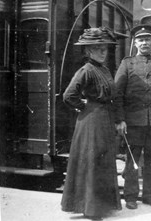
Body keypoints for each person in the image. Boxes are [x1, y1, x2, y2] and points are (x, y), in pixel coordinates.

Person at [61, 27, 122, 220]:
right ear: (88, 51)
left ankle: (101, 206)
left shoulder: (103, 69)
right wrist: (83, 106)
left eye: (105, 48)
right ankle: (90, 208)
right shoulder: (86, 70)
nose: (103, 52)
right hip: (91, 122)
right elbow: (68, 95)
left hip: (104, 119)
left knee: (103, 161)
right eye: (98, 48)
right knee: (92, 162)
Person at [114, 24, 151, 210]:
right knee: (132, 160)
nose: (144, 42)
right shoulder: (127, 63)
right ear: (135, 42)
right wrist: (120, 119)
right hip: (133, 121)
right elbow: (117, 94)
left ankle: (149, 195)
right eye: (141, 40)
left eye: (147, 39)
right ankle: (130, 196)